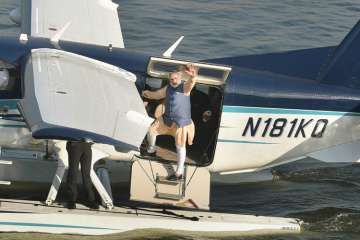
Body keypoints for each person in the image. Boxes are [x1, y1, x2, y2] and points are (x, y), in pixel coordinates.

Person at [142, 64, 197, 181]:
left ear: (180, 79)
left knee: (180, 146)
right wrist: (144, 93)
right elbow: (156, 95)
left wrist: (193, 77)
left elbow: (191, 83)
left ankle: (179, 173)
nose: (174, 80)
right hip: (166, 119)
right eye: (171, 79)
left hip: (180, 123)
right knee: (151, 131)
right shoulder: (168, 88)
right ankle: (151, 151)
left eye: (176, 78)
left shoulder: (185, 88)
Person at [66, 141, 99, 210]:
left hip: (87, 146)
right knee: (73, 172)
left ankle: (90, 200)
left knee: (86, 174)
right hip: (74, 144)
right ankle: (71, 200)